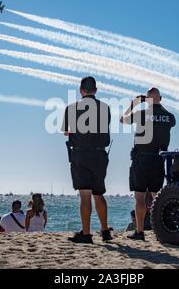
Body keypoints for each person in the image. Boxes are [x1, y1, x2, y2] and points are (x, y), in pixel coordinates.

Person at [62, 76, 113, 244]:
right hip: (99, 155)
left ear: (80, 91)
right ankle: (105, 231)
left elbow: (65, 132)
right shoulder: (105, 108)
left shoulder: (71, 108)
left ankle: (86, 233)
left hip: (81, 155)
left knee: (85, 195)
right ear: (96, 90)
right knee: (99, 193)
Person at [120, 88, 176, 241]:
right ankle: (161, 231)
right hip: (159, 158)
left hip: (141, 159)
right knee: (157, 197)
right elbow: (172, 120)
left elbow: (122, 119)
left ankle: (139, 231)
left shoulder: (141, 113)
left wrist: (134, 104)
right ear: (161, 98)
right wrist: (158, 104)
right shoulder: (168, 116)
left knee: (139, 197)